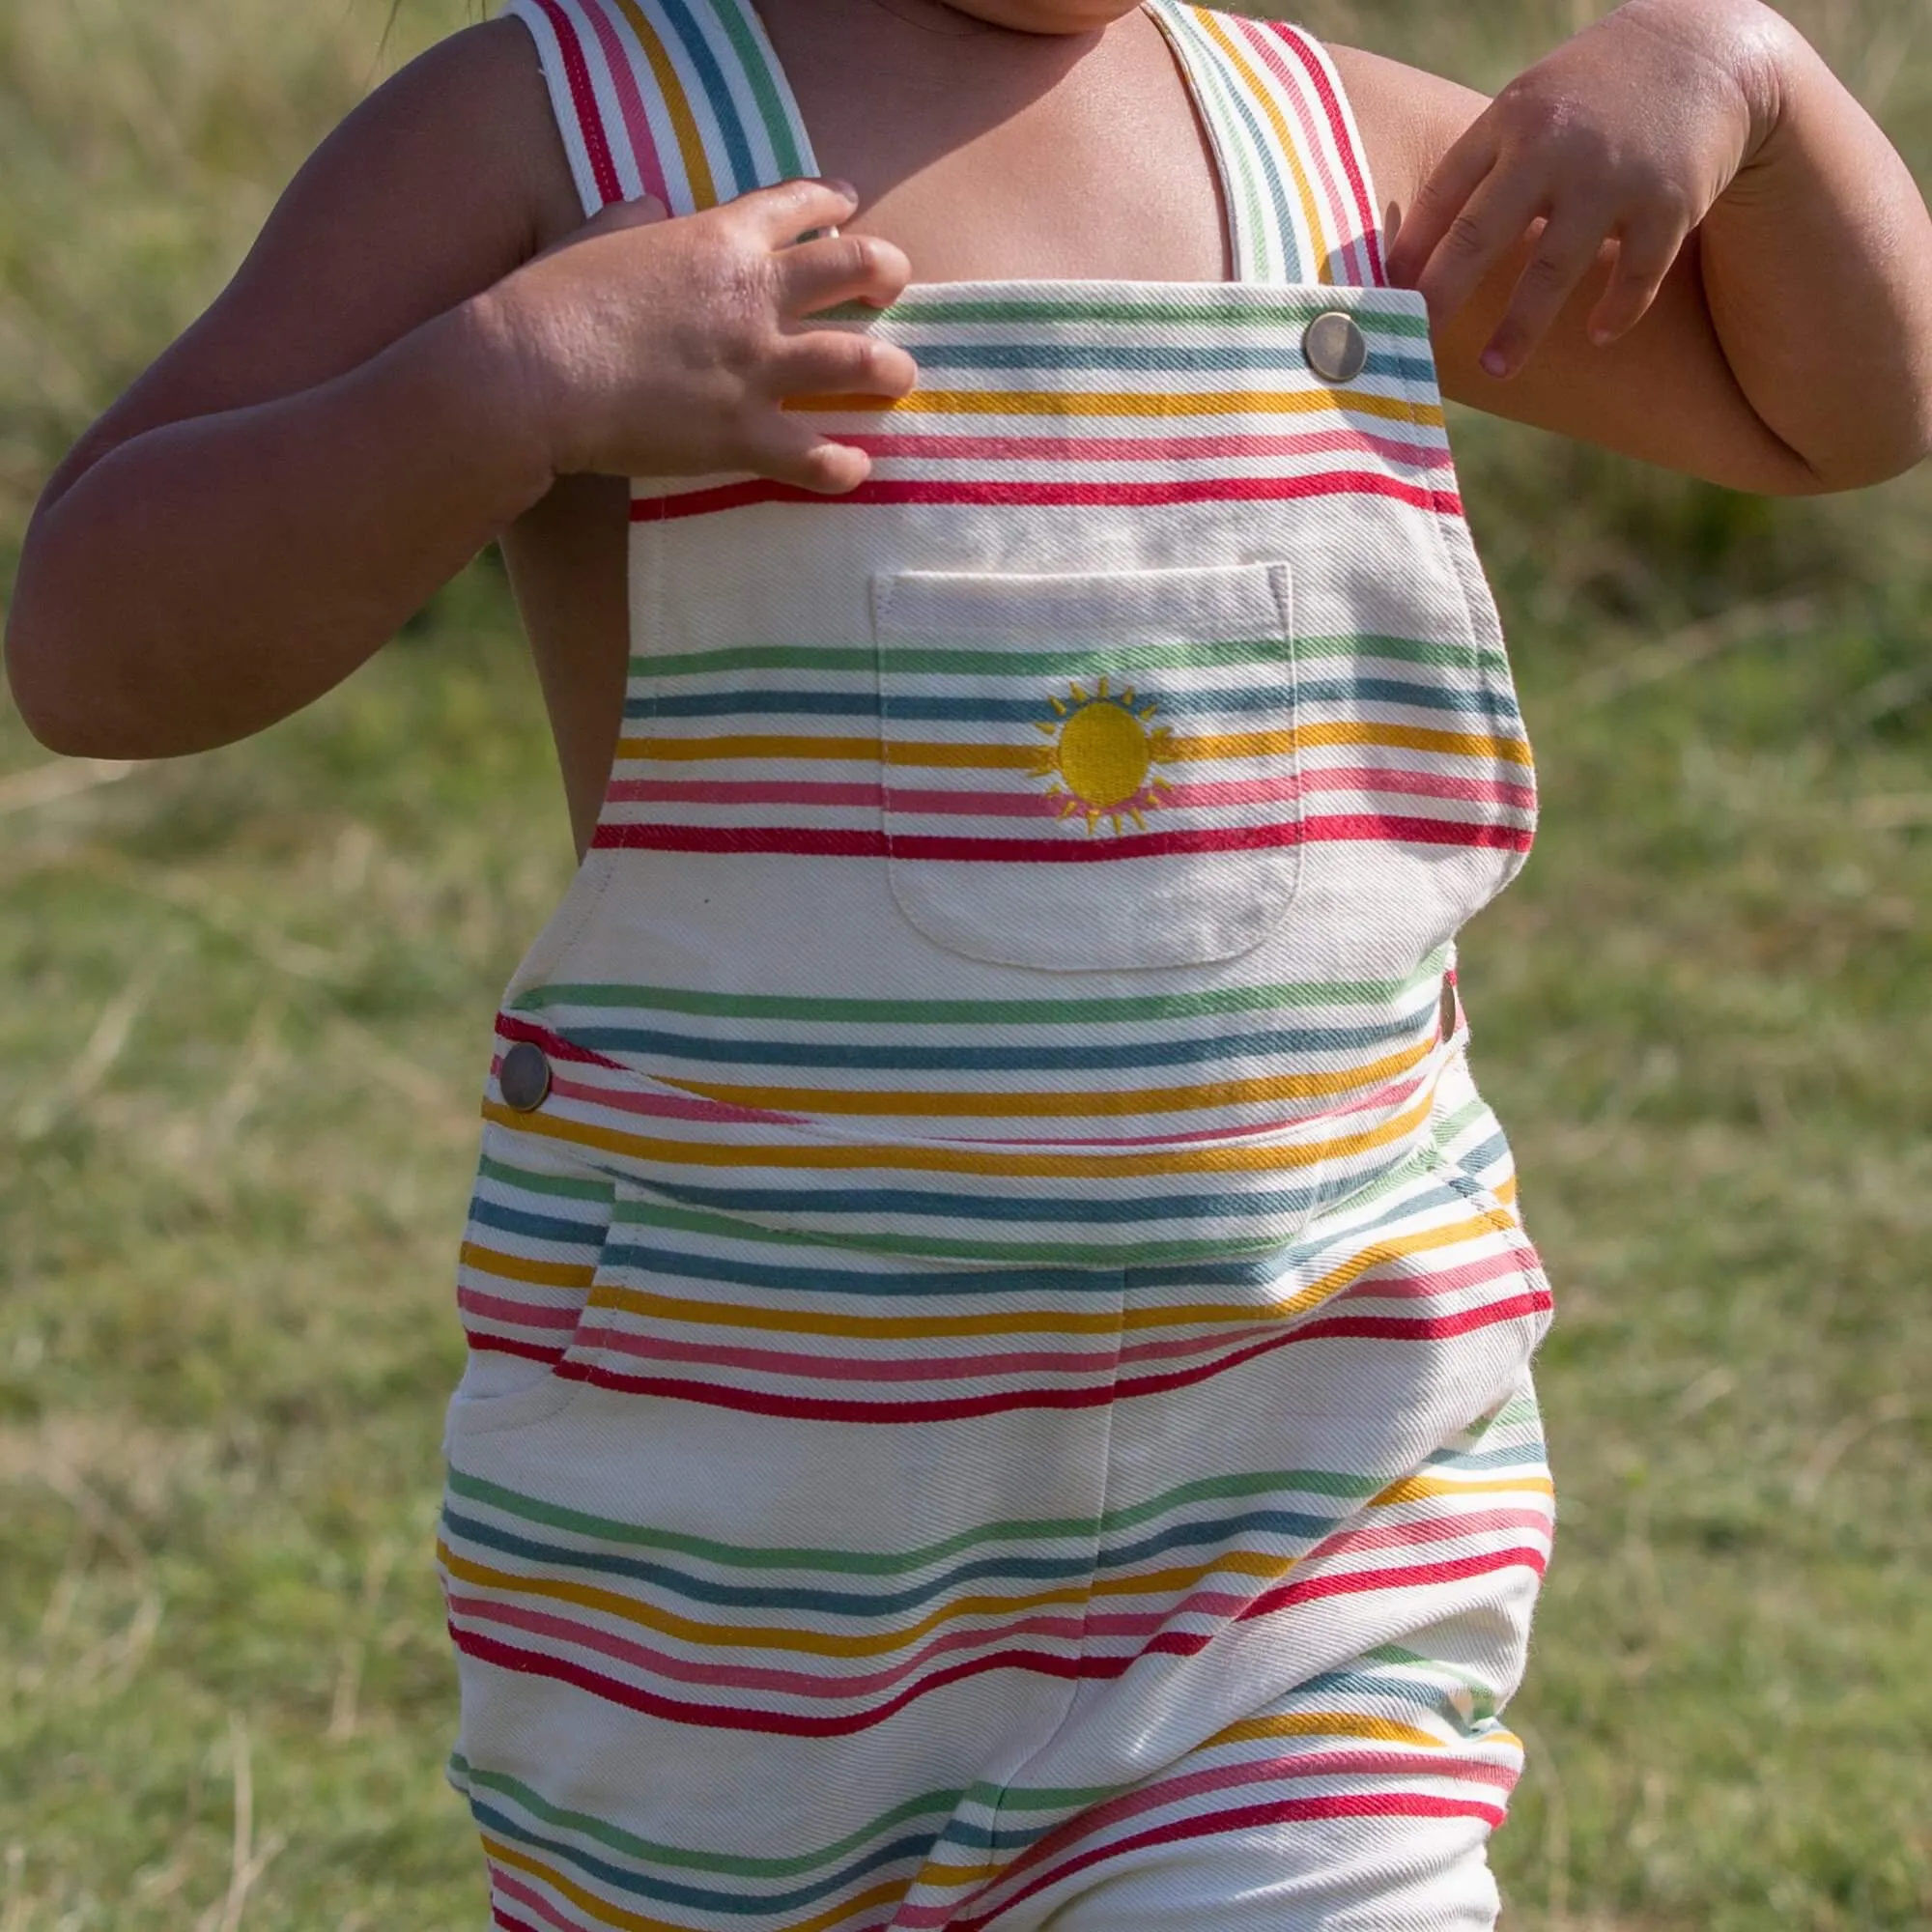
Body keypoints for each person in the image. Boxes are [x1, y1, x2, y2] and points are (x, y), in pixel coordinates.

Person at [7, 0, 1929, 1924]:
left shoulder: (1326, 150)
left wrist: (1743, 77)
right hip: (732, 1584)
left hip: (1286, 1559)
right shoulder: (565, 123)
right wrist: (518, 378)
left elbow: (1826, 408)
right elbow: (94, 643)